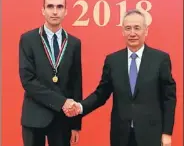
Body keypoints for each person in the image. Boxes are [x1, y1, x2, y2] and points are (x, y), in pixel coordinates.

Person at [63, 9, 176, 146]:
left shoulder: (160, 59)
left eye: (137, 28)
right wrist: (80, 107)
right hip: (121, 135)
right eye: (128, 28)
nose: (132, 33)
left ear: (146, 31)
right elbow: (101, 94)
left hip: (151, 135)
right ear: (123, 31)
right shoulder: (113, 61)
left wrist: (167, 133)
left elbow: (168, 99)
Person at [19, 0, 83, 146]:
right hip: (34, 117)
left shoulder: (74, 43)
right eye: (50, 6)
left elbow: (76, 83)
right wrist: (62, 102)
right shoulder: (28, 39)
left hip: (62, 119)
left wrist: (76, 124)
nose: (55, 11)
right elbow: (28, 81)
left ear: (65, 11)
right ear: (43, 10)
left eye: (60, 7)